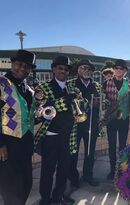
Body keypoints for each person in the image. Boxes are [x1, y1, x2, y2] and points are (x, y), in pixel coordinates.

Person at [34, 56, 84, 205]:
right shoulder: (43, 88)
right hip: (51, 136)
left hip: (68, 136)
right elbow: (41, 111)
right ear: (54, 69)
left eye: (66, 69)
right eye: (60, 68)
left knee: (64, 169)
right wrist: (65, 101)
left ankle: (59, 196)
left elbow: (80, 106)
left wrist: (82, 103)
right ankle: (45, 198)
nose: (63, 71)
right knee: (47, 170)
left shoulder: (73, 88)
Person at [0, 50, 36, 205]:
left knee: (26, 183)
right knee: (11, 188)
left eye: (27, 66)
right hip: (8, 143)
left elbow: (25, 116)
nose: (22, 68)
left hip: (25, 142)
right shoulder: (2, 84)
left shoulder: (28, 89)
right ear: (12, 64)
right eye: (19, 64)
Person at [67, 59, 100, 190]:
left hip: (92, 124)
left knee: (89, 152)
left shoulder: (96, 85)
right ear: (78, 70)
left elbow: (101, 101)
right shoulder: (70, 84)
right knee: (73, 152)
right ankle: (73, 178)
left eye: (89, 69)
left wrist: (101, 105)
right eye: (83, 68)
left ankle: (88, 175)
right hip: (75, 125)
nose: (86, 70)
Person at [102, 59, 130, 180]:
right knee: (112, 145)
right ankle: (112, 169)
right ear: (114, 70)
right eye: (117, 68)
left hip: (124, 119)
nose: (119, 70)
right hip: (112, 120)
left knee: (123, 146)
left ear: (125, 71)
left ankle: (122, 169)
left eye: (122, 69)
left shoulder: (129, 85)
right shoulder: (106, 83)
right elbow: (102, 102)